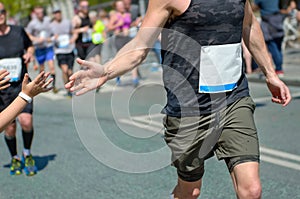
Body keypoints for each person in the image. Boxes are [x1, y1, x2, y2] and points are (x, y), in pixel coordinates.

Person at [66, 0, 291, 198]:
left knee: (252, 191)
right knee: (190, 191)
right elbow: (139, 47)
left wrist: (270, 73)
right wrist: (106, 71)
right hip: (188, 111)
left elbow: (249, 26)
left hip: (233, 98)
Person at [0, 2, 52, 176]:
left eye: (2, 11)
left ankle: (27, 153)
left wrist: (29, 53)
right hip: (3, 90)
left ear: (5, 13)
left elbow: (29, 45)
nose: (0, 14)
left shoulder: (18, 31)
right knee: (9, 128)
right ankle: (15, 157)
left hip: (21, 85)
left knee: (26, 122)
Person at [26, 6, 58, 92]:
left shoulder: (48, 20)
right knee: (42, 69)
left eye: (41, 13)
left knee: (52, 67)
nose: (40, 15)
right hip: (39, 48)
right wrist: (36, 39)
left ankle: (54, 86)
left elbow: (54, 32)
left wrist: (52, 38)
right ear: (35, 14)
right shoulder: (32, 23)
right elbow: (28, 35)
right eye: (38, 13)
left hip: (48, 46)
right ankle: (42, 84)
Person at [107, 0, 139, 87]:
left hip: (128, 38)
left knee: (133, 57)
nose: (121, 7)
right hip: (119, 39)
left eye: (122, 5)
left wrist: (134, 24)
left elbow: (129, 25)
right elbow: (108, 28)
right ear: (116, 7)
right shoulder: (115, 16)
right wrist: (117, 25)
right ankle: (117, 76)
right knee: (120, 59)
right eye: (119, 5)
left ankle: (135, 78)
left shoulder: (128, 14)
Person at [252, 0, 285, 76]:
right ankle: (279, 67)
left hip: (268, 20)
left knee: (271, 43)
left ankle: (279, 68)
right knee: (278, 44)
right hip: (278, 17)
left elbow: (253, 8)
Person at [50, 8, 76, 98]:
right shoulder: (51, 25)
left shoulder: (67, 22)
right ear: (53, 14)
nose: (57, 14)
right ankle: (68, 90)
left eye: (58, 12)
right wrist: (54, 38)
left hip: (69, 50)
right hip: (59, 51)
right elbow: (48, 39)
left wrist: (73, 39)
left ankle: (71, 87)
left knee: (70, 72)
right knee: (64, 70)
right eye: (55, 13)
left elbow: (74, 32)